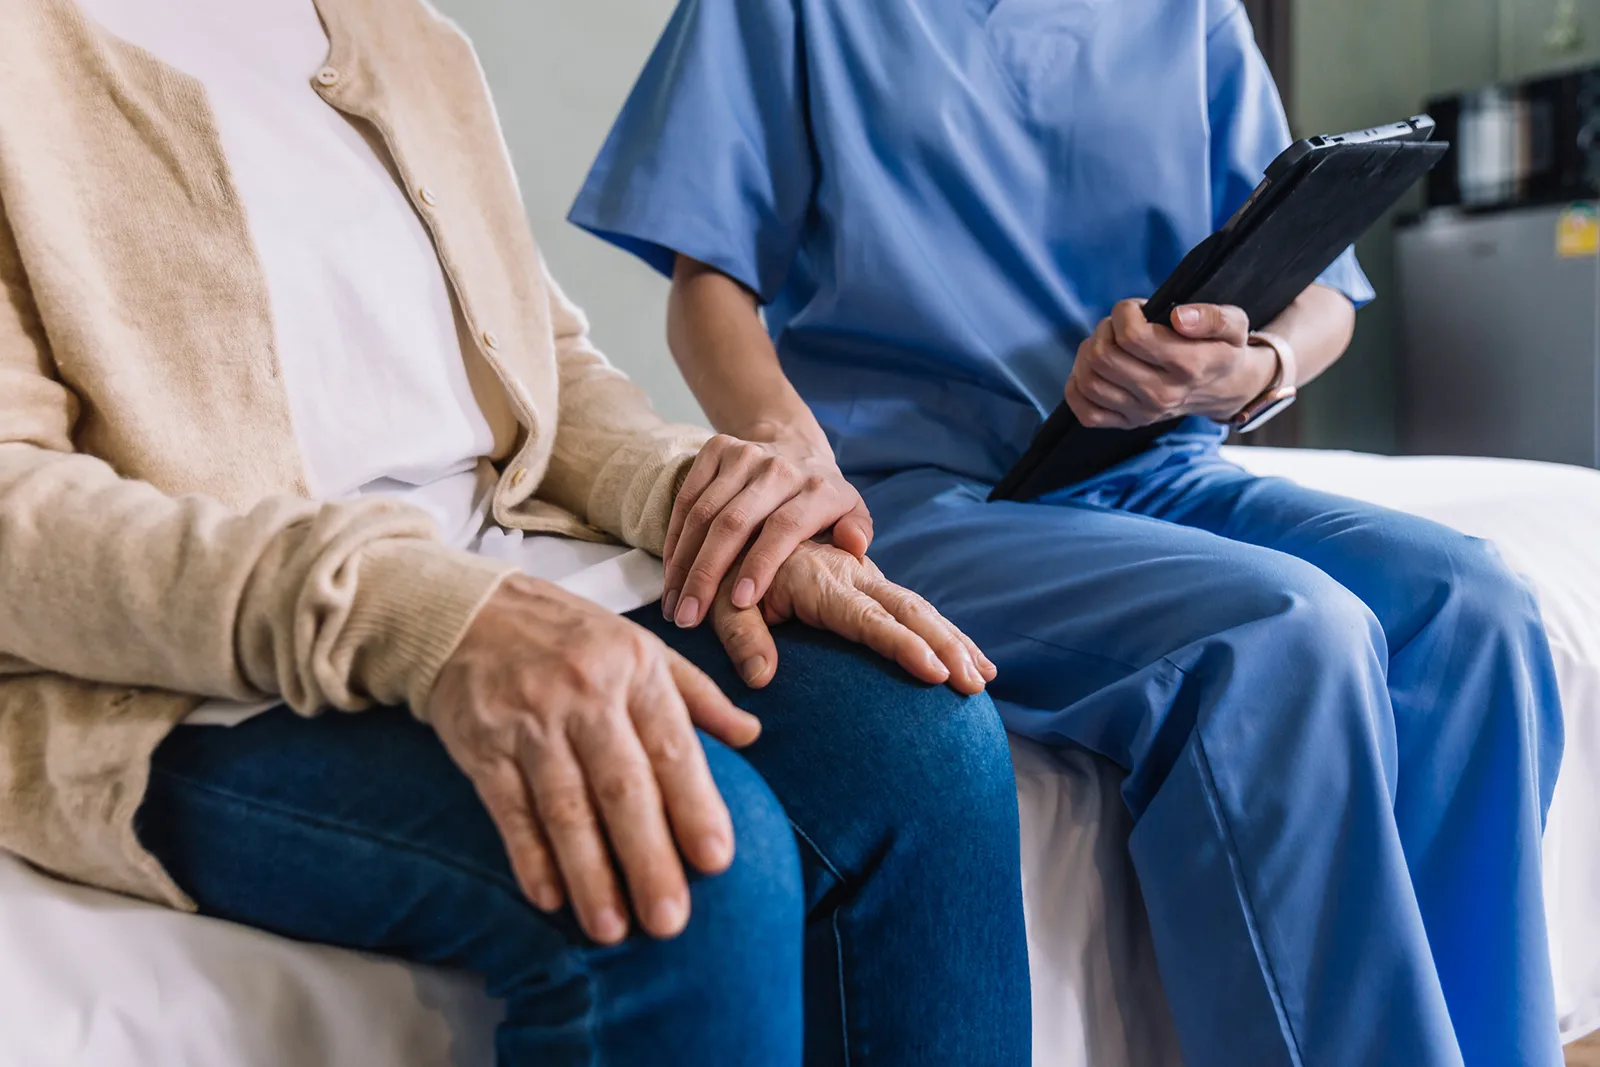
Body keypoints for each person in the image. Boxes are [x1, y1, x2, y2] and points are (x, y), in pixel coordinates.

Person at [0, 1, 1033, 1064]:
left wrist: (699, 494)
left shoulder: (398, 32)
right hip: (180, 668)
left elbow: (542, 363)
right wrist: (416, 613)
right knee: (686, 858)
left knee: (926, 739)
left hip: (498, 563)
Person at [570, 0, 1567, 1064]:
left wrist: (1245, 370)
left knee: (1478, 605)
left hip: (1160, 465)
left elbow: (1322, 295)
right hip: (916, 493)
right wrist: (786, 444)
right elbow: (707, 284)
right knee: (1286, 634)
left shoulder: (1190, 17)